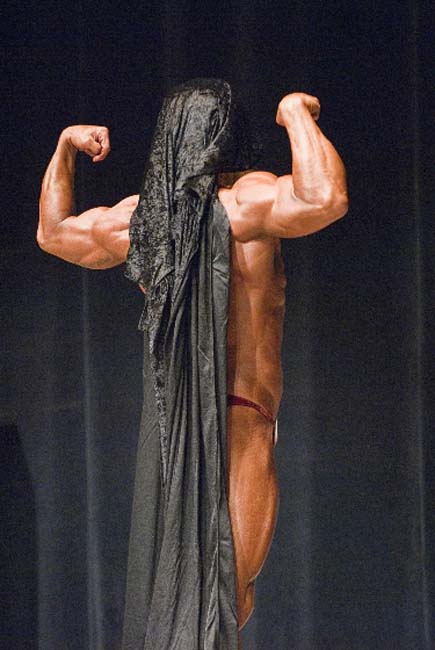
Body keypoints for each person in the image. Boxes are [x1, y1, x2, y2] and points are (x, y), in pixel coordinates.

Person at [37, 79, 348, 650]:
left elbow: (52, 232)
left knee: (192, 611)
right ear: (231, 135)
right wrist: (295, 113)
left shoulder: (143, 223)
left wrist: (63, 148)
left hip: (175, 435)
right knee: (226, 603)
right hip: (240, 422)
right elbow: (326, 196)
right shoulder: (246, 202)